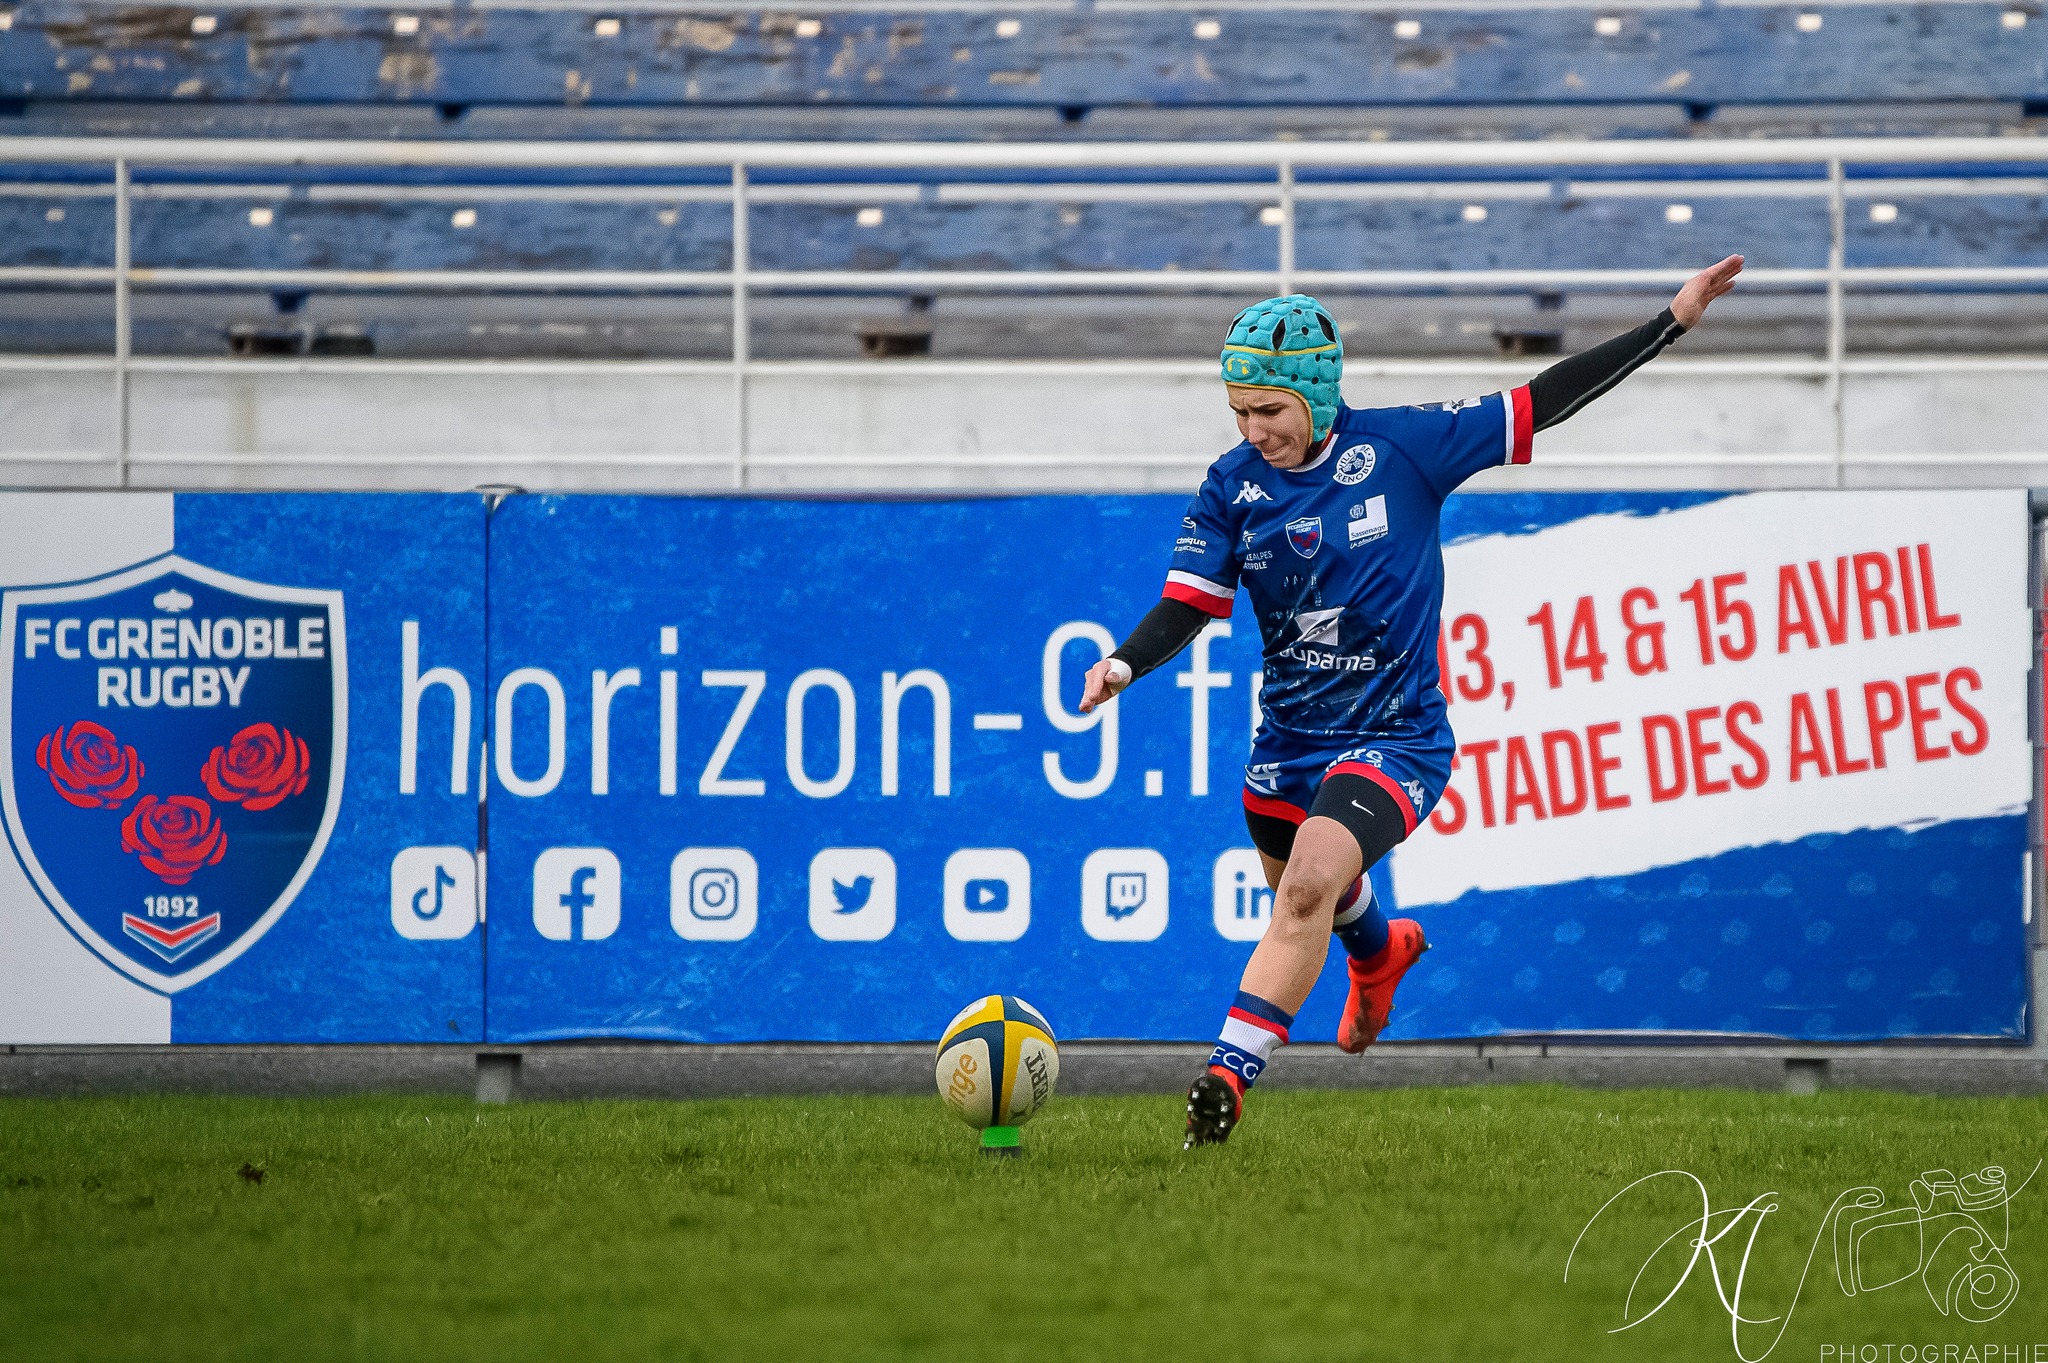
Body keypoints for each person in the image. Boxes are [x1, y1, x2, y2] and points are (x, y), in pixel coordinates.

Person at [1076, 256, 1746, 1149]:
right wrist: (1123, 665)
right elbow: (1190, 603)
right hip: (1288, 740)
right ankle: (1381, 953)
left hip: (1399, 737)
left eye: (1268, 409)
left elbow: (1544, 396)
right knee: (1311, 894)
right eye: (1239, 410)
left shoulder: (1403, 447)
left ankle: (1223, 1081)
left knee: (1309, 883)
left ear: (1317, 392)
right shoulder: (1230, 485)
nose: (1253, 428)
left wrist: (1671, 320)